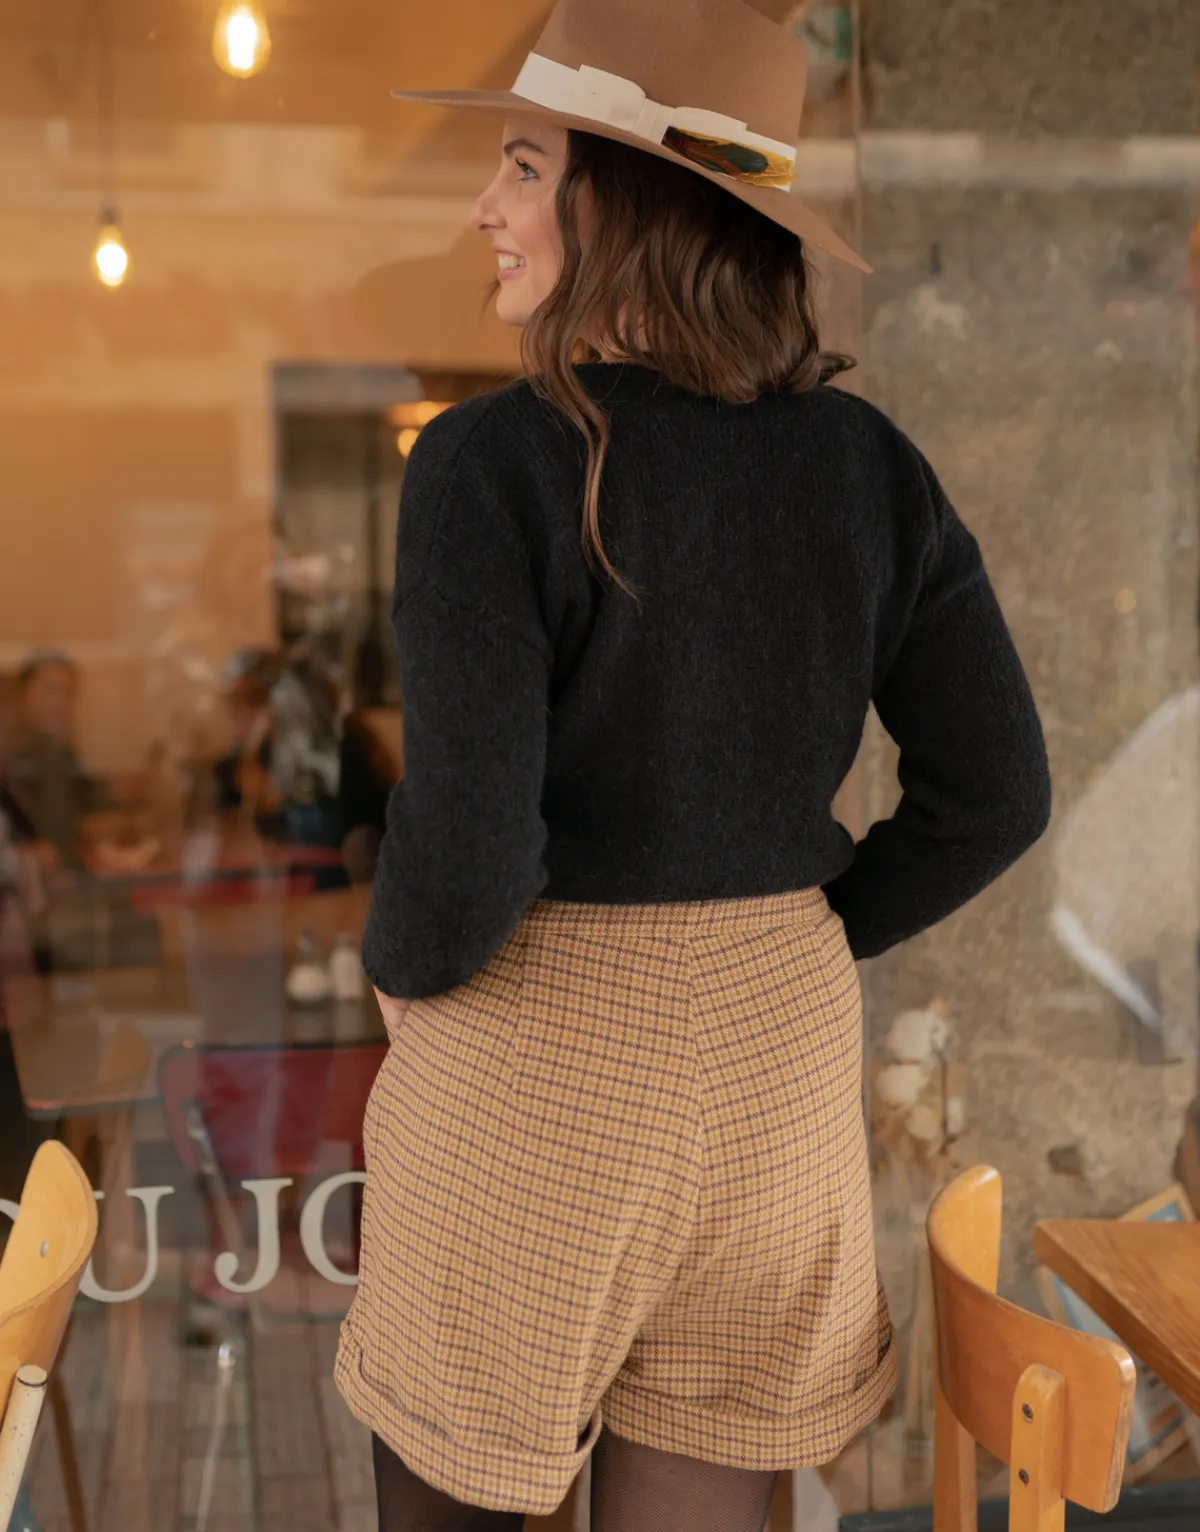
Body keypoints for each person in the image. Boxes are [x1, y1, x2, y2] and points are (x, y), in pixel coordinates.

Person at [334, 2, 1052, 1528]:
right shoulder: (869, 466)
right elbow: (997, 791)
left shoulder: (489, 462)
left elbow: (470, 846)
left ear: (626, 201)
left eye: (526, 167)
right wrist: (800, 929)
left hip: (541, 1060)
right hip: (779, 1070)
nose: (484, 207)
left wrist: (401, 966)